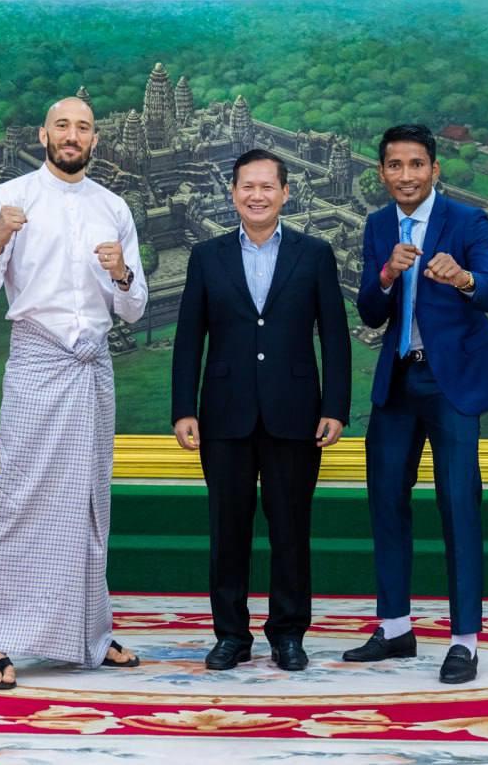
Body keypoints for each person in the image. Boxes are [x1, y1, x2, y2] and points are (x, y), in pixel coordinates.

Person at [0, 96, 148, 689]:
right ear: (43, 135)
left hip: (92, 365)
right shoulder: (12, 198)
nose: (72, 136)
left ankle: (89, 634)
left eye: (83, 128)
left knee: (89, 500)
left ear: (96, 140)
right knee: (20, 497)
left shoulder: (113, 207)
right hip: (37, 362)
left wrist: (120, 273)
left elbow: (134, 308)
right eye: (62, 126)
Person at [171, 149, 351, 672]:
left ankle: (288, 635)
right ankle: (231, 635)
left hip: (295, 414)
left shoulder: (314, 254)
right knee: (227, 530)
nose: (257, 195)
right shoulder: (207, 256)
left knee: (290, 529)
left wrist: (335, 407)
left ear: (285, 193)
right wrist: (184, 408)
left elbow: (335, 337)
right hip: (224, 414)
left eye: (267, 186)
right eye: (247, 186)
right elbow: (189, 338)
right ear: (232, 193)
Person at [343, 124, 488, 684]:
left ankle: (464, 641)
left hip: (451, 382)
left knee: (458, 503)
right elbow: (370, 312)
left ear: (434, 170)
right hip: (397, 381)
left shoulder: (467, 221)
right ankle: (395, 628)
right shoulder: (376, 225)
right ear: (382, 172)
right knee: (386, 500)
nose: (406, 175)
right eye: (395, 165)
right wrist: (387, 273)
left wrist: (462, 278)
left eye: (417, 164)